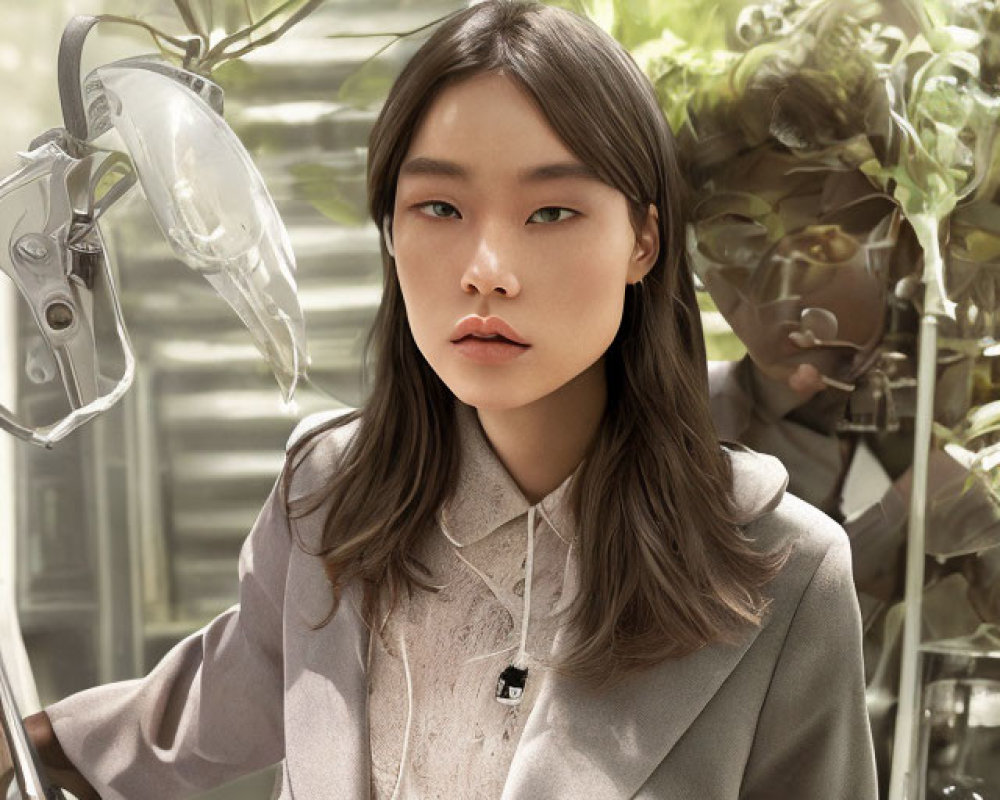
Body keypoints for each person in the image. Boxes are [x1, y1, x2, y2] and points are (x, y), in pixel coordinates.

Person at [0, 2, 877, 797]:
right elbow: (217, 698)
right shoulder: (332, 501)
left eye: (550, 213)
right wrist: (23, 741)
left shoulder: (782, 571)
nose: (485, 272)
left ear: (643, 239)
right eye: (439, 207)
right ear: (389, 229)